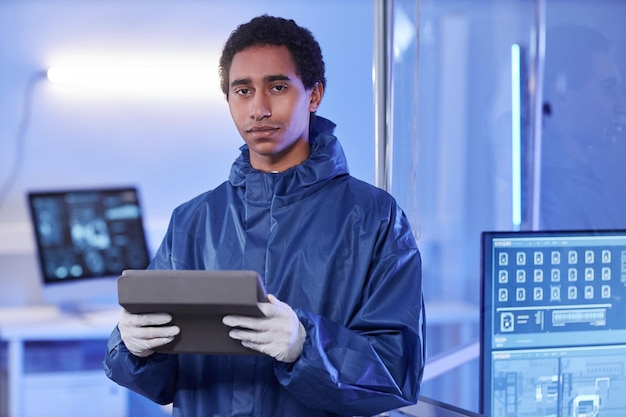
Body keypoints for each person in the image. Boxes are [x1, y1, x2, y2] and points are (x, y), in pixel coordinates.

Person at [103, 14, 425, 417]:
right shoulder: (193, 221)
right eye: (243, 90)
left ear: (313, 95)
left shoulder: (375, 218)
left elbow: (398, 372)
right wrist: (132, 347)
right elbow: (161, 382)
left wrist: (306, 345)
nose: (258, 108)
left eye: (277, 86)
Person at [540, 24, 626, 230]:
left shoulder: (595, 176)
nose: (621, 106)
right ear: (562, 96)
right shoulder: (550, 191)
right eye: (607, 88)